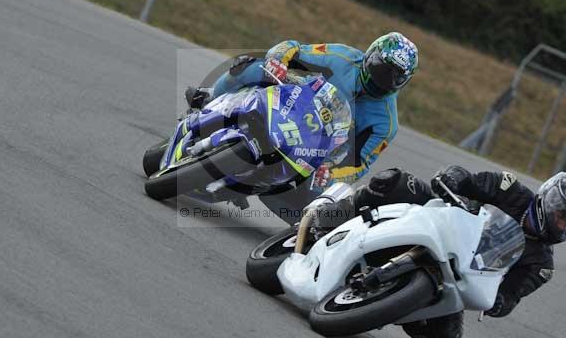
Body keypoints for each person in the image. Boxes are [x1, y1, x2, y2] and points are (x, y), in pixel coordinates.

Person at [186, 33, 419, 216]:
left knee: (325, 202)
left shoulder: (386, 123)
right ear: (370, 56)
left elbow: (359, 163)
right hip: (292, 104)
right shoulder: (342, 58)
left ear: (404, 82)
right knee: (251, 66)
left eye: (394, 77)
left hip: (316, 151)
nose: (383, 80)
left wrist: (332, 173)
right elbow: (293, 48)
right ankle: (210, 97)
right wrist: (277, 61)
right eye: (381, 69)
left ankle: (294, 234)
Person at [354, 166, 565, 338]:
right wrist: (453, 177)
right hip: (437, 223)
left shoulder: (541, 266)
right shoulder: (510, 189)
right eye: (562, 214)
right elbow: (469, 180)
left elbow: (511, 296)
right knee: (394, 181)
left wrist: (498, 303)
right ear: (550, 197)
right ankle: (330, 213)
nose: (562, 223)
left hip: (455, 279)